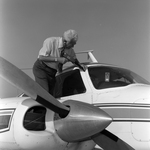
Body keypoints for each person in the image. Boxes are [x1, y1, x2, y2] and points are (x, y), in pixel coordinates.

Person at [33, 29, 79, 95]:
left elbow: (74, 59)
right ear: (66, 42)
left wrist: (80, 65)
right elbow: (41, 57)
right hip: (41, 68)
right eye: (72, 44)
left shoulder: (70, 50)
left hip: (52, 72)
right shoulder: (51, 41)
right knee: (45, 93)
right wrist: (58, 59)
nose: (73, 46)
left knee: (52, 96)